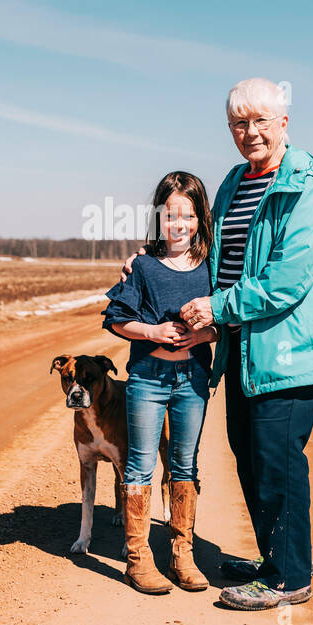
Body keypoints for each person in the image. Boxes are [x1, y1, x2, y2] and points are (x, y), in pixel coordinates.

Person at [122, 77, 313, 610]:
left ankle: (290, 579)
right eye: (239, 123)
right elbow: (208, 249)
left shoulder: (303, 187)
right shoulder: (232, 182)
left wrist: (218, 309)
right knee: (249, 457)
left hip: (288, 351)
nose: (251, 132)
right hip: (245, 351)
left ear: (284, 123)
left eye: (261, 121)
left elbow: (287, 278)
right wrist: (146, 260)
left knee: (278, 462)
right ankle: (275, 557)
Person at [101, 172, 218, 594]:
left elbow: (229, 319)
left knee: (185, 466)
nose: (179, 225)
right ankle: (137, 559)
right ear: (158, 218)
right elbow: (115, 318)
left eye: (187, 215)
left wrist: (203, 335)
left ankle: (182, 556)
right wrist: (151, 333)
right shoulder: (145, 267)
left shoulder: (211, 268)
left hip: (192, 382)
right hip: (148, 381)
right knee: (140, 465)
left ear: (200, 219)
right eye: (171, 216)